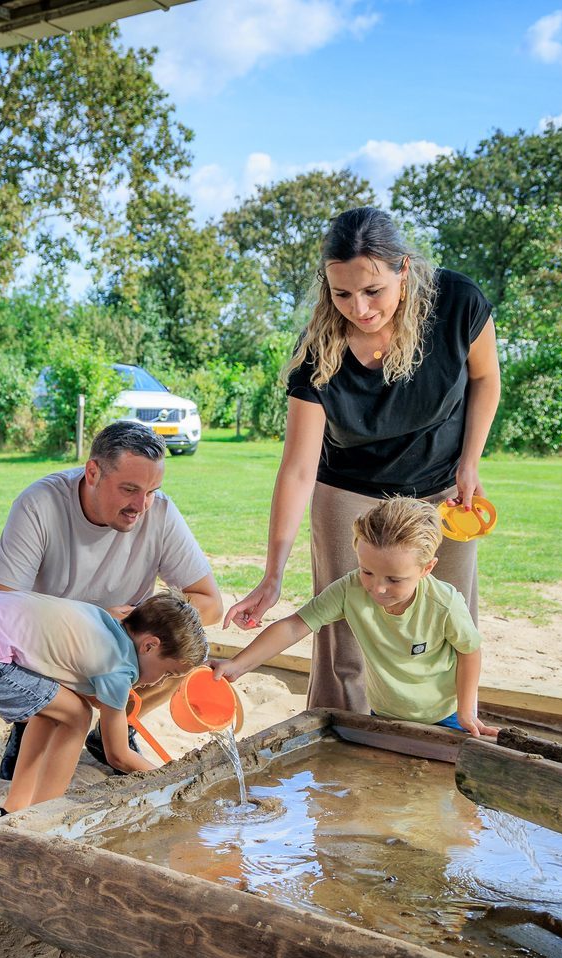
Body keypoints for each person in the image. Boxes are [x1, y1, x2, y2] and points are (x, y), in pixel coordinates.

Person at [225, 206, 500, 713]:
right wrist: (272, 574)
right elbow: (299, 468)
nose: (360, 308)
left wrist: (470, 463)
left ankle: (452, 725)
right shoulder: (318, 350)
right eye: (342, 293)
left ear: (403, 268)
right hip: (347, 488)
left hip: (441, 487)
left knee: (447, 617)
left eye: (373, 290)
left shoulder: (457, 302)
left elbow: (486, 379)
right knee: (342, 630)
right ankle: (335, 735)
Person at [0, 421, 224, 776]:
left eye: (151, 491)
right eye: (129, 489)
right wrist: (93, 621)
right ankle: (32, 721)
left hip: (125, 649)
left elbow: (210, 603)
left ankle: (117, 723)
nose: (140, 506)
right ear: (93, 472)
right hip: (50, 647)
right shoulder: (40, 504)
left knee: (192, 648)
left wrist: (137, 621)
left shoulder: (159, 513)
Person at [216, 497, 494, 736]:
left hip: (445, 717)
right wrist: (239, 665)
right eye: (367, 571)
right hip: (384, 715)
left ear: (426, 568)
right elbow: (295, 625)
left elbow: (469, 651)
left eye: (395, 579)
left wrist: (466, 711)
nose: (377, 588)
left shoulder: (445, 604)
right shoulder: (350, 589)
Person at [0, 588, 208, 814]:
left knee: (56, 709)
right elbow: (118, 754)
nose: (159, 682)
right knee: (76, 715)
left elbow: (84, 690)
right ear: (149, 645)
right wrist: (174, 778)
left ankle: (16, 807)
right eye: (168, 672)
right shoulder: (118, 667)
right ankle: (47, 814)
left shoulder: (104, 622)